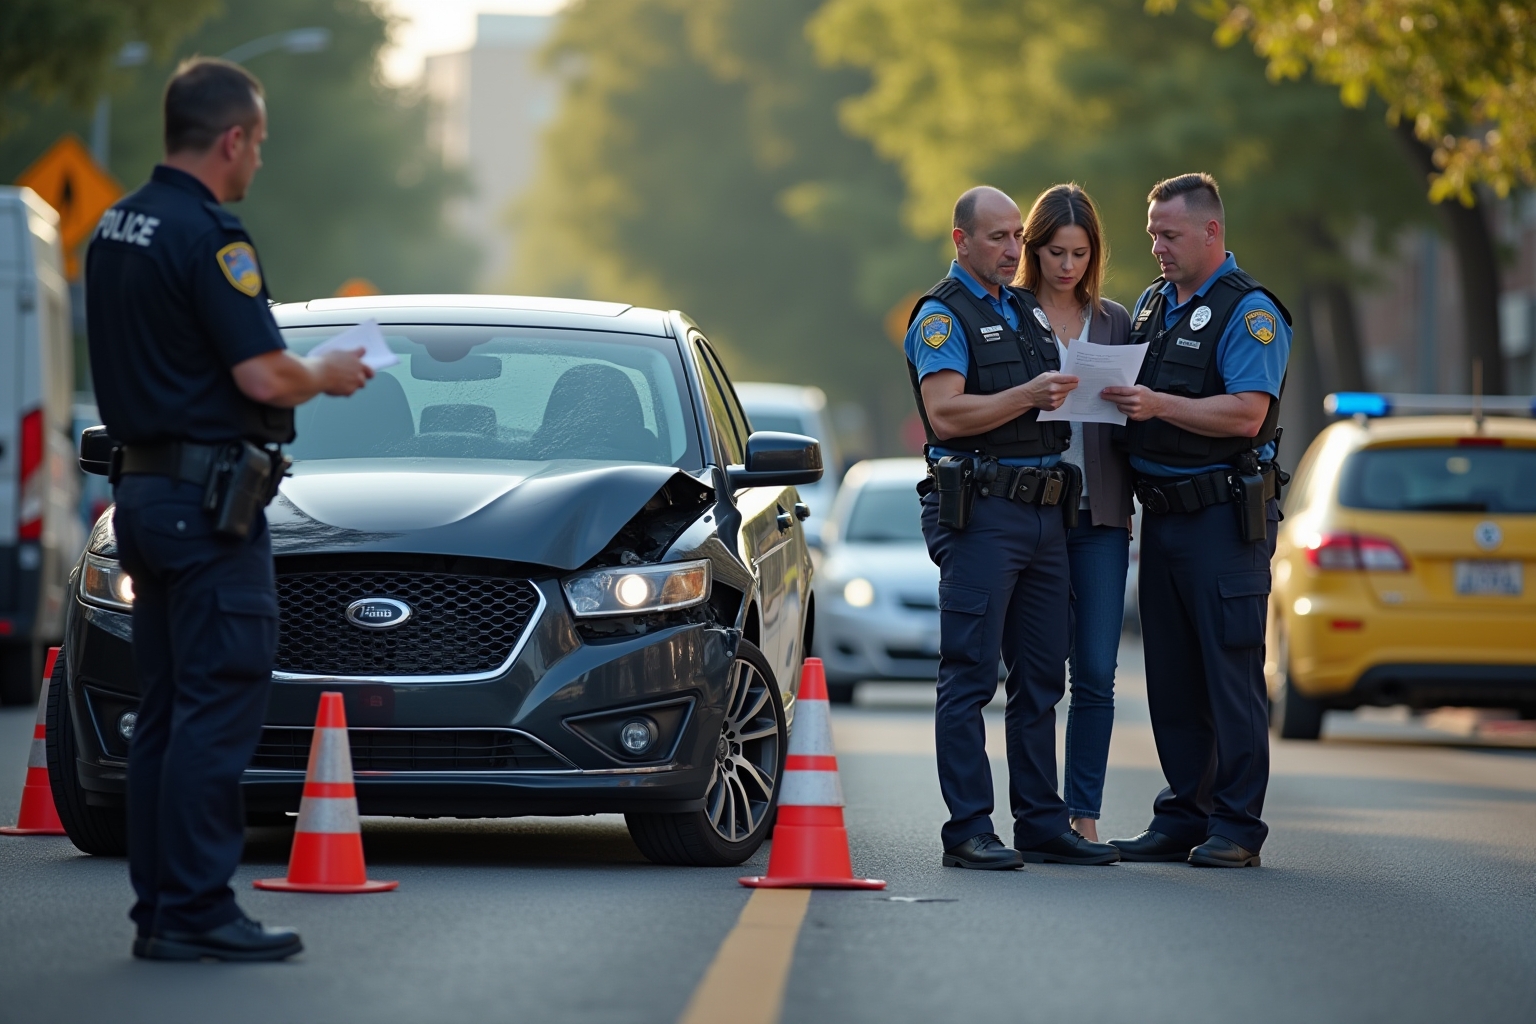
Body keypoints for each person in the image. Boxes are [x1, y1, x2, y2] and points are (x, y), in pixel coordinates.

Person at [85, 58, 372, 961]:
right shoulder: (211, 236)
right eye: (259, 143)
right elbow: (261, 372)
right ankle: (201, 910)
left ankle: (163, 910)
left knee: (168, 709)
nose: (258, 163)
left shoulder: (114, 227)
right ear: (232, 138)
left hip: (142, 494)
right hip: (209, 510)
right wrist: (325, 372)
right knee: (219, 703)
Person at [904, 185, 1121, 869]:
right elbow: (946, 414)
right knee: (969, 672)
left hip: (1044, 511)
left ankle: (1041, 820)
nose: (1009, 249)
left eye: (1014, 237)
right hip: (981, 512)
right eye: (996, 237)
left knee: (1041, 675)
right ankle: (969, 828)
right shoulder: (944, 316)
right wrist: (1027, 395)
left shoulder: (1026, 311)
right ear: (960, 240)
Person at [1101, 173, 1291, 868]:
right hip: (1165, 520)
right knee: (1173, 678)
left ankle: (1238, 825)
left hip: (1222, 522)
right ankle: (1185, 813)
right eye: (1152, 232)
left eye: (1169, 234)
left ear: (1211, 232)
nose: (1156, 245)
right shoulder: (1154, 306)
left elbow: (1246, 412)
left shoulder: (1251, 312)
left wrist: (1158, 406)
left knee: (1230, 677)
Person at [1013, 184, 1134, 843]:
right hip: (1032, 515)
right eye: (1056, 252)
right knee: (1037, 671)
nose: (1067, 266)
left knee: (1095, 669)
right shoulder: (1009, 313)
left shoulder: (1115, 320)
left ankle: (1082, 813)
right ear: (1034, 250)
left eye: (1080, 253)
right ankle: (1036, 812)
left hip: (1101, 519)